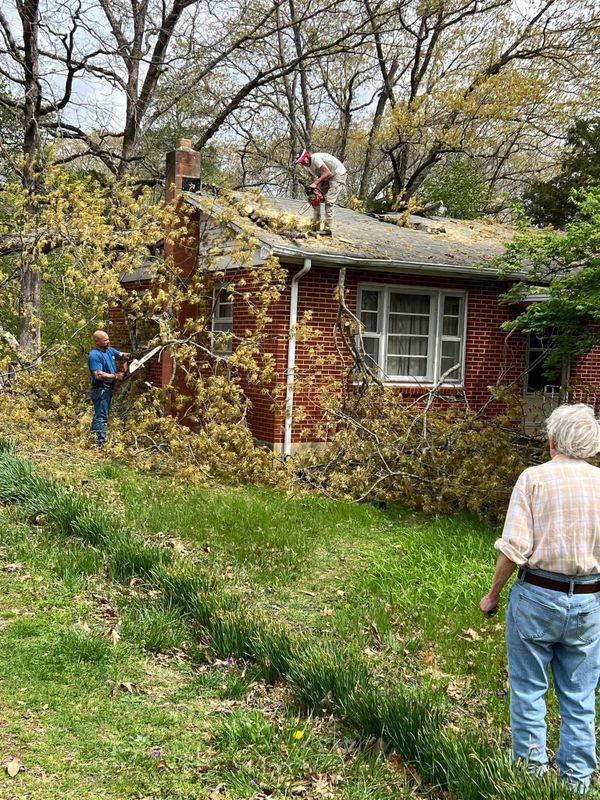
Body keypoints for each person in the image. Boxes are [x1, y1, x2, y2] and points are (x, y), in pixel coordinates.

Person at [480, 403, 600, 795]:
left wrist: (493, 595)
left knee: (529, 688)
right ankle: (577, 782)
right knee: (580, 695)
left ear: (552, 441)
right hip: (588, 600)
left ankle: (531, 777)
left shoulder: (534, 479)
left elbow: (514, 548)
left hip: (537, 596)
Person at [87, 330, 129, 447]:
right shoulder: (94, 355)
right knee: (101, 417)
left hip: (108, 389)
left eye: (108, 339)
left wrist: (129, 356)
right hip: (100, 390)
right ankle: (98, 443)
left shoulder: (109, 350)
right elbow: (98, 375)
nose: (108, 342)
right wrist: (115, 376)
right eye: (105, 340)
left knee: (102, 415)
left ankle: (96, 439)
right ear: (97, 342)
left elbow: (120, 354)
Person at [293, 148, 347, 236]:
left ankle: (328, 229)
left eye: (303, 161)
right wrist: (316, 191)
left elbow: (327, 172)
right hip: (328, 176)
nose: (303, 163)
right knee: (315, 197)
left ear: (307, 156)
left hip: (338, 174)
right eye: (301, 162)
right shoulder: (309, 167)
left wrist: (315, 183)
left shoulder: (315, 158)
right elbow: (322, 176)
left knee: (329, 201)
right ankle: (316, 225)